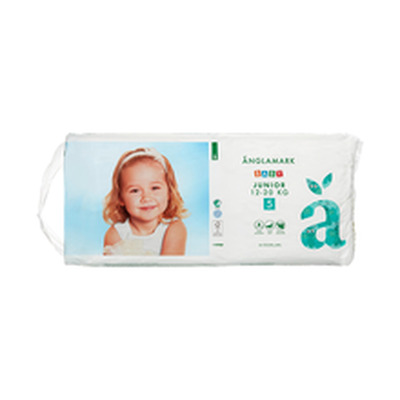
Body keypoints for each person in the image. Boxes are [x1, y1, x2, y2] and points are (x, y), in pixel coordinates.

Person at [103, 148, 187, 255]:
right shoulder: (116, 234)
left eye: (155, 188)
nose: (146, 198)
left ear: (169, 192)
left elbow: (169, 264)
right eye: (135, 191)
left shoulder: (174, 228)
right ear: (120, 198)